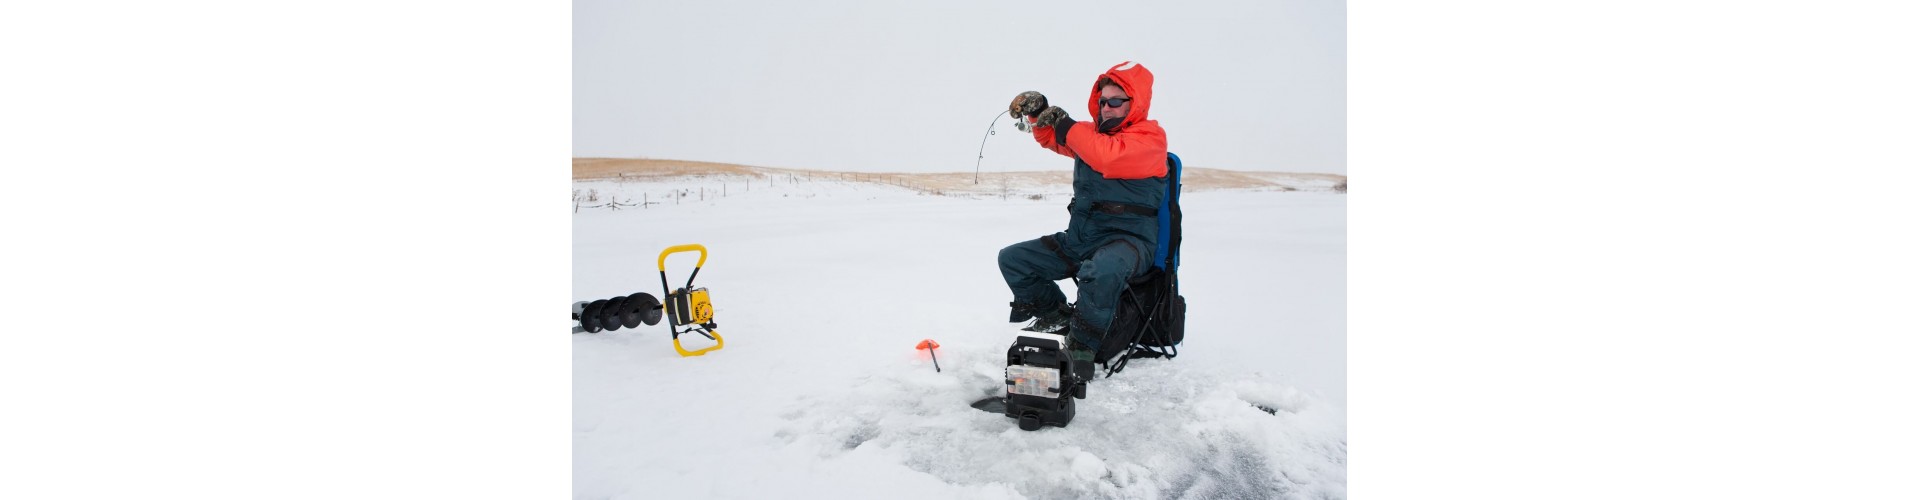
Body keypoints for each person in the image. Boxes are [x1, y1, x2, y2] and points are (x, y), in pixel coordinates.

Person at [999, 61, 1168, 384]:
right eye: (1103, 101)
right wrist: (1040, 115)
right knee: (1014, 259)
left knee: (1101, 269)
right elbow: (1056, 139)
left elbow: (1108, 156)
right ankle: (1055, 315)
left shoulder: (1150, 139)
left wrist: (1066, 125)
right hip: (1083, 238)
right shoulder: (1091, 135)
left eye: (1116, 101)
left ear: (1136, 103)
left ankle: (1083, 345)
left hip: (1129, 242)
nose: (1107, 107)